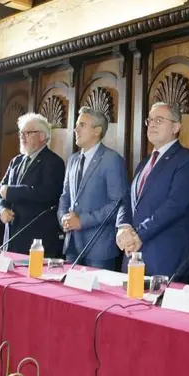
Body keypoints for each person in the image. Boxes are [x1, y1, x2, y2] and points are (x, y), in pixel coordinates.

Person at [115, 102, 189, 277]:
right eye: (150, 120)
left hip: (165, 256)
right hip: (133, 255)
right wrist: (123, 227)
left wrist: (139, 235)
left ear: (176, 127)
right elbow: (127, 200)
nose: (152, 124)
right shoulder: (144, 163)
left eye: (159, 120)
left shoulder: (186, 160)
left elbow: (175, 205)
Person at [58, 107, 128, 270]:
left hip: (99, 249)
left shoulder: (112, 160)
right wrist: (63, 219)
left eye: (82, 125)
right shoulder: (73, 160)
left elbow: (117, 205)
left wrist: (82, 221)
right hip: (72, 245)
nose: (75, 129)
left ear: (97, 131)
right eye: (76, 125)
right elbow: (65, 196)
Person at [0, 113, 65, 255]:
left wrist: (11, 192)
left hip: (36, 238)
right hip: (11, 237)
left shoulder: (53, 162)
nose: (22, 136)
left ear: (42, 136)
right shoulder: (16, 161)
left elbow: (47, 193)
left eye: (28, 132)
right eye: (21, 132)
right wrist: (1, 210)